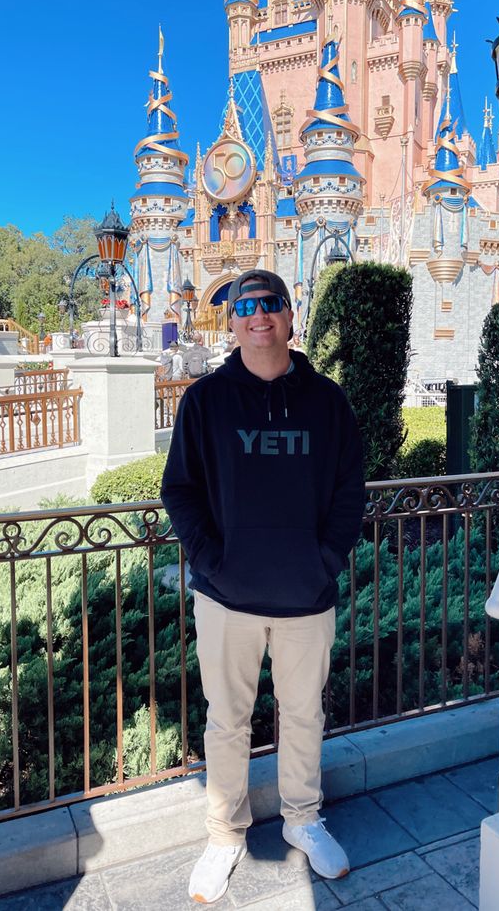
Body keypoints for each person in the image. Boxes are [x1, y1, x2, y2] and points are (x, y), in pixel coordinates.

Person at [161, 269, 365, 904]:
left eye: (269, 305)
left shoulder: (328, 402)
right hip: (227, 599)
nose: (258, 317)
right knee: (227, 721)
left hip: (306, 597)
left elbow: (349, 492)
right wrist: (210, 562)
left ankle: (304, 819)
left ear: (288, 315)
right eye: (244, 308)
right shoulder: (205, 402)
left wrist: (323, 560)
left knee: (305, 713)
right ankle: (224, 835)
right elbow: (181, 491)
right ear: (231, 324)